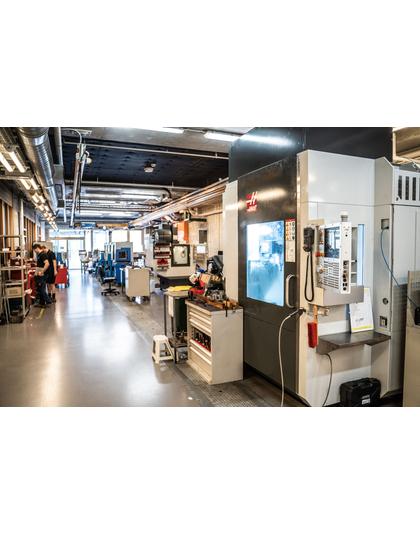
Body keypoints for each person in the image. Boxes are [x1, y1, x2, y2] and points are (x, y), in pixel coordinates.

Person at [32, 244, 53, 309]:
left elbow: (47, 264)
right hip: (40, 274)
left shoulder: (43, 254)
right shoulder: (40, 255)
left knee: (41, 288)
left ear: (37, 248)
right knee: (39, 288)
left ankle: (49, 301)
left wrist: (41, 272)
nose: (35, 251)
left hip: (43, 274)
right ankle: (42, 303)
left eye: (35, 250)